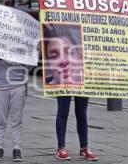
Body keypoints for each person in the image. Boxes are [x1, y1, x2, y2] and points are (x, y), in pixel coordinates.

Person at [43, 25, 97, 161]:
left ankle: (84, 148)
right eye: (55, 55)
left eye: (70, 52)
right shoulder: (56, 78)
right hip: (63, 85)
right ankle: (60, 148)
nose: (63, 61)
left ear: (79, 55)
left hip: (82, 83)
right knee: (63, 112)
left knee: (81, 112)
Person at [0, 58, 29, 162]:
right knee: (1, 120)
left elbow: (30, 63)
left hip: (18, 84)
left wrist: (36, 51)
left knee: (16, 120)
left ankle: (17, 148)